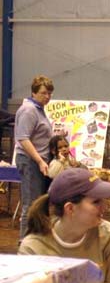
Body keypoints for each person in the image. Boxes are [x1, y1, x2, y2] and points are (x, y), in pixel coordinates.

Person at [14, 75, 54, 240]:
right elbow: (23, 138)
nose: (47, 96)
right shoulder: (29, 110)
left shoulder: (38, 109)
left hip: (38, 161)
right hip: (30, 161)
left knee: (38, 204)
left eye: (50, 93)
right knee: (31, 205)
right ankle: (25, 244)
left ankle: (36, 241)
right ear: (34, 92)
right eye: (44, 93)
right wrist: (39, 160)